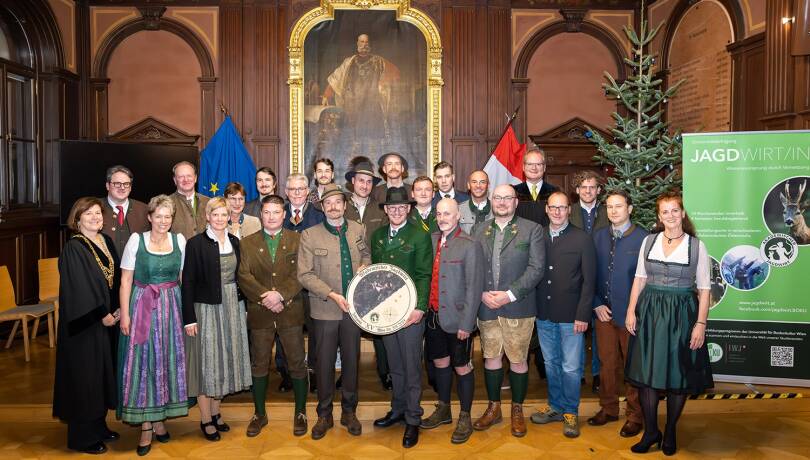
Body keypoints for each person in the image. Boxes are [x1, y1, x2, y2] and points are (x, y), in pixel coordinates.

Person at [624, 191, 713, 456]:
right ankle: (651, 431)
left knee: (677, 375)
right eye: (665, 211)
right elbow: (640, 279)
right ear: (659, 216)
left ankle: (670, 429)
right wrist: (631, 311)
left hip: (681, 314)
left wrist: (700, 324)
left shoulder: (696, 246)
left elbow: (705, 290)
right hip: (650, 312)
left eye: (675, 210)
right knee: (646, 375)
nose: (670, 216)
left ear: (682, 214)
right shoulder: (649, 241)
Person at [297, 184, 371, 440]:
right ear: (322, 206)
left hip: (354, 309)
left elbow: (367, 256)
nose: (333, 206)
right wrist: (331, 293)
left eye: (337, 201)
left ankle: (349, 412)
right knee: (324, 364)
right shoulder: (309, 234)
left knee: (351, 362)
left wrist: (364, 265)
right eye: (328, 203)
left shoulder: (358, 229)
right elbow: (304, 274)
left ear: (344, 204)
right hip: (325, 308)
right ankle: (324, 414)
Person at [117, 195, 188, 456]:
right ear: (149, 218)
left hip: (171, 307)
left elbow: (182, 278)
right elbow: (125, 280)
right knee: (144, 364)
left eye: (167, 217)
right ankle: (146, 425)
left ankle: (159, 419)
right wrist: (125, 315)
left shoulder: (179, 241)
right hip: (142, 306)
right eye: (158, 216)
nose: (163, 221)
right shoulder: (137, 240)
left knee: (166, 363)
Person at [472, 184, 545, 438]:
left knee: (518, 359)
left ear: (516, 202)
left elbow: (536, 269)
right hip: (487, 305)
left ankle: (517, 409)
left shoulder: (532, 229)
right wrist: (481, 292)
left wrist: (509, 295)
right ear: (492, 200)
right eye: (498, 198)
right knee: (491, 357)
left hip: (518, 306)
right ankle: (494, 408)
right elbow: (473, 266)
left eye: (507, 198)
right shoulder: (479, 229)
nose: (502, 202)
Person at [53, 197, 121, 455]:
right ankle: (82, 436)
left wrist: (116, 309)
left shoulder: (106, 241)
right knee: (85, 379)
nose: (95, 217)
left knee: (101, 375)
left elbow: (112, 279)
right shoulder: (74, 248)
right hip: (84, 326)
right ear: (77, 218)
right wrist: (100, 314)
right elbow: (79, 288)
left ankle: (98, 426)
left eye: (97, 213)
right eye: (88, 213)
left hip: (107, 322)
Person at [238, 195, 308, 437]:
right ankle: (259, 413)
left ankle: (301, 412)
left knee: (297, 362)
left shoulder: (298, 240)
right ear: (261, 214)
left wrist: (281, 296)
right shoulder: (247, 243)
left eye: (276, 212)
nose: (271, 216)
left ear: (284, 215)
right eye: (266, 212)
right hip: (260, 312)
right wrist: (265, 297)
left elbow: (302, 273)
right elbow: (244, 276)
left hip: (290, 310)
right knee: (259, 364)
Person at [182, 197, 251, 442]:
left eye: (224, 214)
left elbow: (241, 275)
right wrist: (189, 318)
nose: (220, 219)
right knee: (207, 361)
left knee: (226, 358)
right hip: (206, 308)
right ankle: (205, 418)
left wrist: (244, 305)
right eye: (216, 214)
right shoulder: (195, 244)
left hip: (233, 304)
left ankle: (216, 411)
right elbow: (187, 282)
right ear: (207, 217)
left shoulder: (234, 241)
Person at [370, 187, 433, 448]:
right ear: (385, 209)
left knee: (410, 365)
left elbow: (423, 274)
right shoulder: (377, 236)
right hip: (386, 312)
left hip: (410, 312)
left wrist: (419, 308)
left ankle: (413, 417)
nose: (396, 211)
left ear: (409, 209)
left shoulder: (419, 236)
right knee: (394, 364)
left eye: (401, 207)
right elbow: (375, 274)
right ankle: (397, 409)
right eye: (391, 207)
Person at [530, 191, 596, 438]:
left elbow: (589, 282)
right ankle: (555, 406)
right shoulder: (538, 236)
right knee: (551, 363)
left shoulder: (582, 239)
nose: (557, 212)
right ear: (546, 209)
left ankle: (570, 411)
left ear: (570, 210)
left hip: (571, 316)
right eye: (553, 207)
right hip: (544, 314)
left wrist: (583, 315)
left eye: (562, 207)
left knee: (570, 367)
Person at [420, 198, 484, 444]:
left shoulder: (470, 244)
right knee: (440, 363)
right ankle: (444, 408)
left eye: (448, 213)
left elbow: (474, 287)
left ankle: (465, 416)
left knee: (461, 366)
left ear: (458, 215)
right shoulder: (432, 239)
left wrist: (467, 324)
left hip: (459, 320)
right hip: (434, 317)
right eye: (439, 213)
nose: (443, 217)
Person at [587, 189, 647, 438]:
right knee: (607, 363)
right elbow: (588, 274)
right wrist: (596, 303)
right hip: (604, 314)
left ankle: (635, 415)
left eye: (619, 206)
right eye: (609, 207)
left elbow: (647, 280)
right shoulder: (597, 237)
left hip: (632, 316)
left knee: (633, 367)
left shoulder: (644, 239)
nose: (613, 211)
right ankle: (609, 408)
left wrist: (635, 311)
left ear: (630, 209)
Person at [344, 159, 391, 390]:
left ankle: (385, 372)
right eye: (360, 180)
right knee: (348, 328)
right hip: (346, 274)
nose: (364, 185)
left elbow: (383, 240)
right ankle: (346, 375)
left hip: (374, 275)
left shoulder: (380, 208)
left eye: (369, 181)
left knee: (379, 327)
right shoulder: (341, 205)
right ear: (352, 182)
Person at [321, 34, 400, 159]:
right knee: (353, 139)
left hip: (372, 106)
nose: (364, 45)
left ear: (370, 45)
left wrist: (383, 83)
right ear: (357, 44)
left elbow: (395, 72)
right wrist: (326, 94)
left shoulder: (379, 61)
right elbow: (336, 79)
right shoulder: (349, 62)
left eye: (367, 42)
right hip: (352, 106)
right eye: (362, 42)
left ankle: (372, 163)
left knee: (372, 139)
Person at [569, 170, 608, 393]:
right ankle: (578, 373)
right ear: (577, 191)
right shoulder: (569, 211)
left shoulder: (608, 212)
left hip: (602, 276)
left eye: (592, 187)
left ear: (598, 190)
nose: (588, 191)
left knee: (599, 329)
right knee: (578, 327)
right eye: (583, 187)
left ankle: (597, 374)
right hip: (575, 276)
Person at [101, 165, 149, 256]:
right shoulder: (95, 208)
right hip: (102, 268)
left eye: (126, 184)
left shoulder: (144, 210)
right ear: (108, 186)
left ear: (130, 187)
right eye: (117, 184)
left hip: (135, 268)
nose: (122, 187)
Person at [514, 148, 557, 227]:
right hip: (520, 237)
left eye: (538, 164)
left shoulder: (555, 192)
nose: (534, 168)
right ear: (523, 167)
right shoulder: (514, 192)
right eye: (530, 164)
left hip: (547, 237)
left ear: (544, 168)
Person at [169, 161, 210, 240]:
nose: (186, 179)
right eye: (181, 176)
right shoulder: (166, 203)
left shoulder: (209, 202)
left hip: (205, 251)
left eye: (189, 176)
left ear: (195, 178)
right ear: (174, 180)